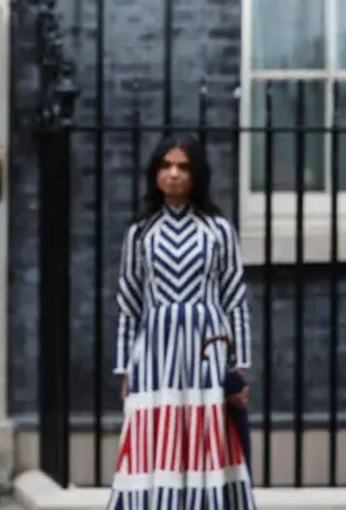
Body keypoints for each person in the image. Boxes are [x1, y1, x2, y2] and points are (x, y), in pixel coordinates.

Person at [108, 135, 255, 509]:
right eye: (166, 165)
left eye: (183, 167)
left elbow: (234, 297)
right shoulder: (139, 233)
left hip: (207, 348)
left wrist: (238, 366)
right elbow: (129, 301)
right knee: (153, 435)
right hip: (155, 351)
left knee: (207, 435)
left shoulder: (218, 229)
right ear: (155, 173)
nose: (173, 174)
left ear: (196, 175)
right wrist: (126, 366)